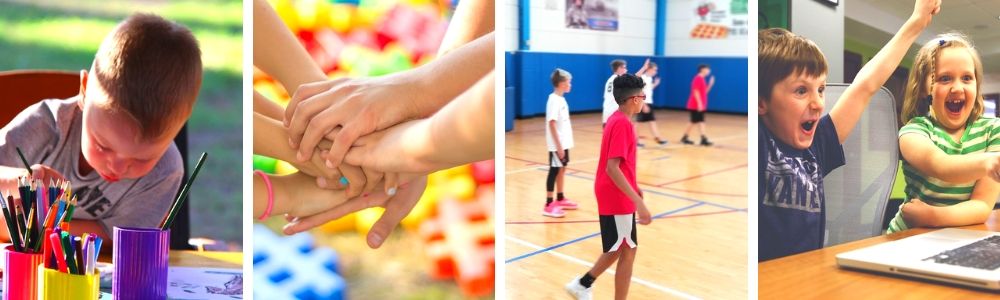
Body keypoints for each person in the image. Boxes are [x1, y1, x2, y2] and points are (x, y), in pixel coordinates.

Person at [757, 0, 939, 261]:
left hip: (807, 278)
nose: (818, 103)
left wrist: (917, 22)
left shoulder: (817, 145)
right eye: (801, 90)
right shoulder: (760, 146)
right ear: (761, 101)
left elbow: (865, 85)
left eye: (820, 89)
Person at [0, 14, 202, 243]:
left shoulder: (165, 171)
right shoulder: (46, 125)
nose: (117, 167)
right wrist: (21, 179)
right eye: (103, 145)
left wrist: (28, 228)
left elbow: (117, 238)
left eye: (141, 159)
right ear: (84, 91)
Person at [890, 33, 1000, 233]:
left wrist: (933, 217)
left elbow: (982, 206)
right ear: (924, 88)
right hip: (909, 236)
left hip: (957, 237)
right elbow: (941, 165)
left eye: (967, 78)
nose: (957, 88)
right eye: (945, 78)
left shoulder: (993, 131)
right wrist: (989, 162)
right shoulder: (914, 131)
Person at [565, 74, 652, 300]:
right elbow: (612, 168)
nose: (644, 100)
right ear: (634, 99)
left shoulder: (616, 119)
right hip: (615, 194)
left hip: (614, 191)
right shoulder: (622, 123)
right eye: (643, 96)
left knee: (618, 247)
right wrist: (638, 201)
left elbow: (620, 165)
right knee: (628, 251)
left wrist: (635, 186)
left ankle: (583, 284)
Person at [543, 68, 579, 218]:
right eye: (569, 82)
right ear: (562, 83)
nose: (570, 84)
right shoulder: (553, 99)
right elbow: (552, 123)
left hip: (563, 144)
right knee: (554, 171)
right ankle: (548, 204)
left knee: (562, 169)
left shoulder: (561, 99)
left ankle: (560, 197)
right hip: (557, 145)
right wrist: (558, 147)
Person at [634, 58, 667, 146]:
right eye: (655, 70)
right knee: (638, 123)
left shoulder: (649, 79)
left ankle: (657, 138)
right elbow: (638, 92)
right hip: (643, 103)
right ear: (649, 69)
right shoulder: (643, 78)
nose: (656, 71)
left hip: (649, 103)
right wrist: (644, 105)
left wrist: (655, 84)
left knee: (652, 120)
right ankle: (635, 140)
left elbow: (648, 89)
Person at [681, 64, 714, 146]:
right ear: (703, 70)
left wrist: (710, 84)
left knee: (698, 121)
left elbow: (704, 92)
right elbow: (695, 91)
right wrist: (699, 104)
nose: (709, 71)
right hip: (695, 105)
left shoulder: (702, 79)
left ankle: (698, 138)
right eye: (708, 69)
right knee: (696, 121)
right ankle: (699, 138)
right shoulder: (698, 78)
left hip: (700, 105)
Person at [602, 59, 627, 127]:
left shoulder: (610, 80)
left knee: (608, 136)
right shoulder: (619, 80)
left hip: (607, 112)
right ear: (619, 68)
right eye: (624, 67)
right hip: (614, 112)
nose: (626, 70)